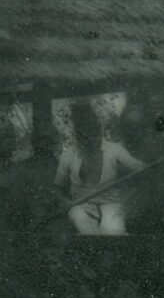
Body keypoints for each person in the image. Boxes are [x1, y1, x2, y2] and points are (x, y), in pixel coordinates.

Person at [55, 100, 145, 235]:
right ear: (76, 132)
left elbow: (140, 168)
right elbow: (56, 186)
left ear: (97, 128)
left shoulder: (114, 150)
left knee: (112, 230)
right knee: (76, 215)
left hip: (111, 205)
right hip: (81, 206)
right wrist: (64, 202)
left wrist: (144, 167)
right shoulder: (68, 155)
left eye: (91, 129)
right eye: (82, 130)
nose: (88, 135)